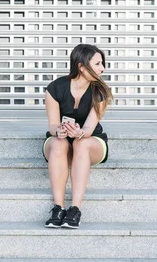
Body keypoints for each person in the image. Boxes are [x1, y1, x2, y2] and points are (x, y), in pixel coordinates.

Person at [42, 43, 113, 229]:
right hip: (62, 141)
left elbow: (89, 128)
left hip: (91, 143)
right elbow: (52, 125)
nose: (102, 68)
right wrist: (60, 131)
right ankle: (58, 208)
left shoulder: (101, 92)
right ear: (81, 66)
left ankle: (75, 210)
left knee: (81, 144)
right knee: (58, 143)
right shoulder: (55, 88)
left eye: (102, 63)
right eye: (97, 64)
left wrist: (79, 133)